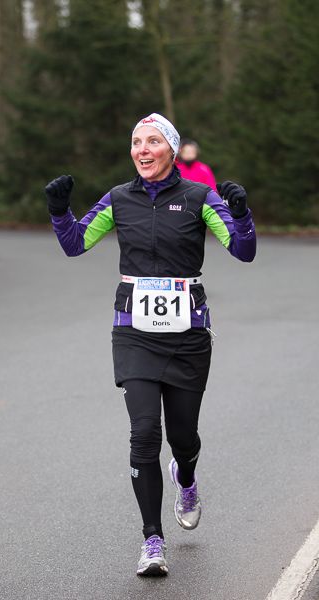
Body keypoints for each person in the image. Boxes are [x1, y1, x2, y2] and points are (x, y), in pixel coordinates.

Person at [45, 113, 256, 577]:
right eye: (136, 141)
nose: (142, 149)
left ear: (171, 151)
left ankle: (187, 477)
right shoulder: (118, 199)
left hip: (187, 336)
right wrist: (60, 212)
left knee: (182, 438)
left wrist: (241, 215)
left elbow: (243, 250)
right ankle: (152, 540)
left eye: (153, 141)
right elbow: (76, 243)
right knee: (144, 434)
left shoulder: (199, 197)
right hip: (134, 332)